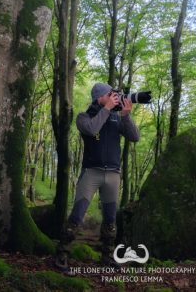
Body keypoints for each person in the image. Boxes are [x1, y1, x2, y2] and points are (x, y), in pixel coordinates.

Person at [55, 83, 140, 270]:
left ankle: (107, 257)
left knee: (110, 220)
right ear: (99, 97)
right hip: (91, 173)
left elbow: (135, 137)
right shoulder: (84, 117)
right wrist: (108, 109)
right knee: (77, 215)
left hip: (113, 175)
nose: (113, 97)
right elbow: (92, 130)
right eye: (109, 94)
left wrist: (125, 116)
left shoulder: (117, 118)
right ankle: (62, 254)